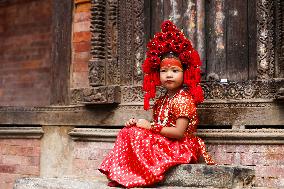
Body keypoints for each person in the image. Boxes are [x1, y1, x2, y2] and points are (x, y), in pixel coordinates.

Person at [99, 20, 215, 188]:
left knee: (137, 135)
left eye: (174, 71)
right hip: (165, 140)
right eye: (164, 71)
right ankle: (125, 175)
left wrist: (149, 127)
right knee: (128, 131)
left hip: (180, 146)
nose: (169, 75)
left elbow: (179, 133)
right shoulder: (162, 101)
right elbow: (157, 127)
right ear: (157, 73)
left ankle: (137, 177)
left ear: (185, 73)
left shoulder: (183, 99)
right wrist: (138, 124)